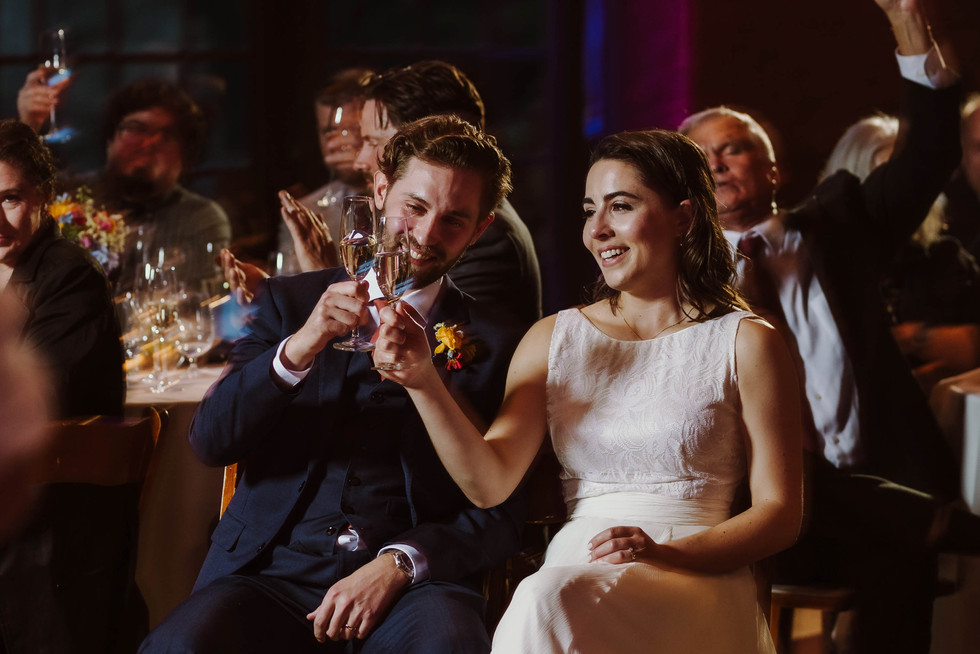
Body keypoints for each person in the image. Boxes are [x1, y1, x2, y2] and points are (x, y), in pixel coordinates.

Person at [376, 129, 803, 653]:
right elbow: (489, 484)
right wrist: (424, 381)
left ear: (684, 218)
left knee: (543, 600)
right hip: (576, 564)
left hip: (697, 574)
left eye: (620, 206)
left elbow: (780, 513)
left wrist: (672, 554)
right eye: (588, 210)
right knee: (550, 595)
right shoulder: (553, 337)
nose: (597, 230)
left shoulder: (747, 341)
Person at [140, 115, 527, 654]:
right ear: (380, 189)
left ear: (481, 228)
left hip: (413, 589)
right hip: (269, 576)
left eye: (454, 221)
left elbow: (504, 514)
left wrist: (401, 563)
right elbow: (210, 441)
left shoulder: (500, 340)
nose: (427, 235)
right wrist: (300, 346)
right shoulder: (289, 303)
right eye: (414, 208)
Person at [678, 1, 980, 650]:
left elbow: (928, 152)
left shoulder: (841, 227)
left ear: (773, 171)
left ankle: (922, 520)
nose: (722, 162)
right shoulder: (674, 280)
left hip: (876, 499)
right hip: (757, 518)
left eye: (736, 148)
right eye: (703, 156)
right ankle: (936, 522)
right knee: (834, 498)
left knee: (897, 561)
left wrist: (906, 19)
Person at [0, 118, 143, 653]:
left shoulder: (68, 277)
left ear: (44, 196)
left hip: (50, 527)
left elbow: (39, 398)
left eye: (9, 198)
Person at [353, 61, 542, 326]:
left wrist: (344, 284)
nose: (359, 160)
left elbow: (451, 348)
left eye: (374, 142)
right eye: (416, 208)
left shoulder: (492, 238)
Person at [822, 114, 980, 392]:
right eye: (887, 179)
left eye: (911, 179)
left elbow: (971, 348)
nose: (904, 193)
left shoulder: (942, 255)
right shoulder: (820, 260)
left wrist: (907, 337)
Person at [82, 79, 232, 292]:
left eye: (168, 136)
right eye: (136, 129)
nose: (150, 142)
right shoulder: (69, 197)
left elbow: (196, 306)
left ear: (185, 159)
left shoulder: (200, 218)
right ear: (110, 139)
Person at [275, 68, 374, 274]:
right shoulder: (305, 213)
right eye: (329, 132)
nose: (336, 143)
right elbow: (291, 295)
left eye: (351, 130)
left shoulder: (408, 212)